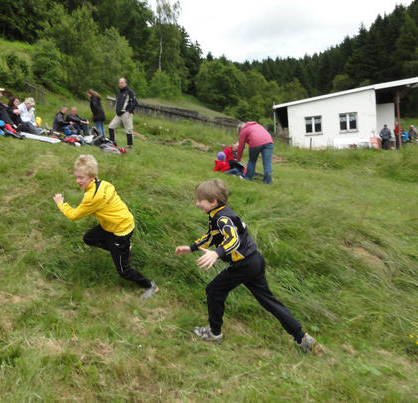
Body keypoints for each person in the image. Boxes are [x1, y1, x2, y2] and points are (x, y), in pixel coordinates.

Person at [174, 179, 317, 352]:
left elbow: (233, 240)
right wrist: (192, 248)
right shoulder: (220, 214)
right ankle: (302, 337)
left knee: (214, 290)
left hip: (244, 265)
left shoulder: (223, 218)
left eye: (200, 200)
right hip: (254, 260)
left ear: (213, 201)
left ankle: (214, 333)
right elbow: (211, 236)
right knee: (268, 300)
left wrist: (216, 253)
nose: (197, 203)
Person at [53, 154, 159, 299]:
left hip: (120, 230)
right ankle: (124, 250)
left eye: (81, 177)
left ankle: (150, 286)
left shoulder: (92, 197)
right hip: (114, 224)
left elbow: (73, 215)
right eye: (76, 177)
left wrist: (60, 202)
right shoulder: (104, 183)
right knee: (89, 238)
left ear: (91, 176)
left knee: (124, 271)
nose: (77, 181)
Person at [110, 77, 137, 149]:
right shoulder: (118, 93)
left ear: (125, 83)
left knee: (128, 129)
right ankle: (113, 143)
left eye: (122, 83)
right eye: (119, 83)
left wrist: (129, 111)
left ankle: (129, 145)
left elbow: (135, 102)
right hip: (118, 114)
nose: (120, 84)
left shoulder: (130, 91)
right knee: (111, 127)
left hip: (126, 113)